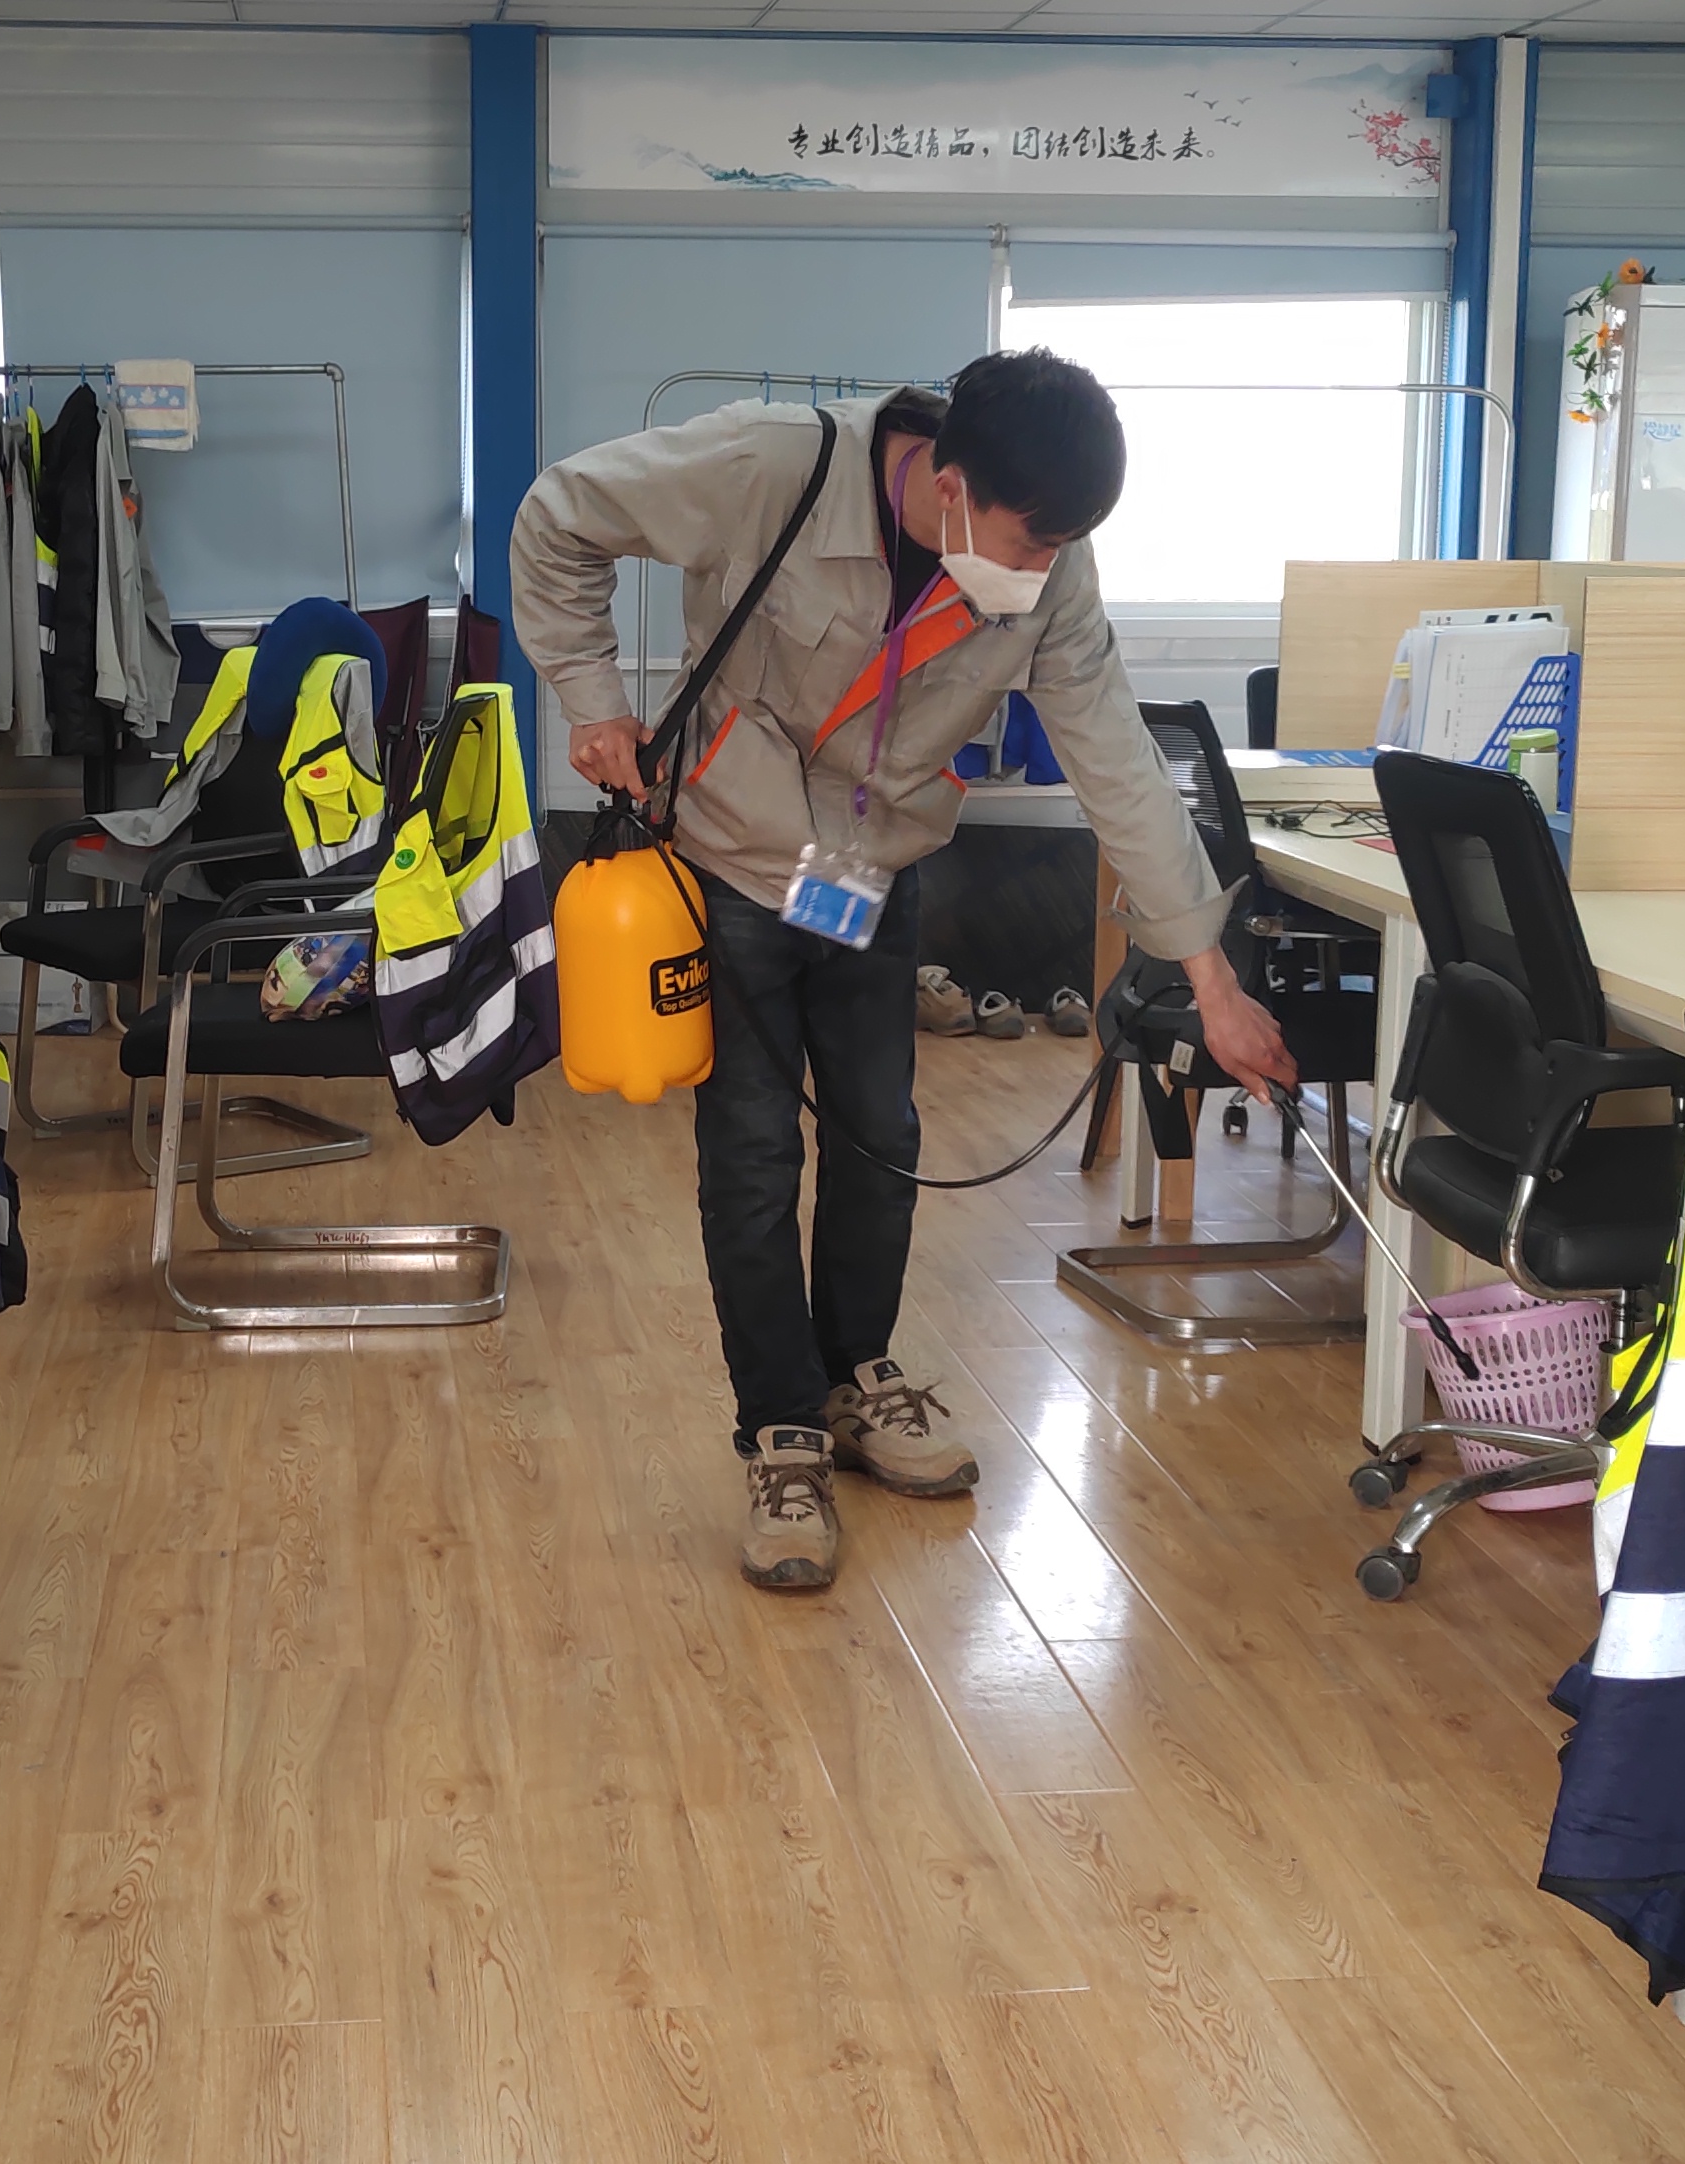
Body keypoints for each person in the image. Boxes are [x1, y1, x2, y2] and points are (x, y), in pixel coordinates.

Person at [513, 350, 1292, 1592]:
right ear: (948, 482)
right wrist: (592, 698)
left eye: (1062, 548)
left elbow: (1118, 763)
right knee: (755, 1149)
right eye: (1029, 542)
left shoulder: (1050, 567)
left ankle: (854, 1377)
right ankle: (779, 1428)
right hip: (734, 855)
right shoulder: (772, 466)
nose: (1041, 570)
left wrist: (1212, 981)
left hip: (872, 871)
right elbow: (559, 515)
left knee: (881, 1133)